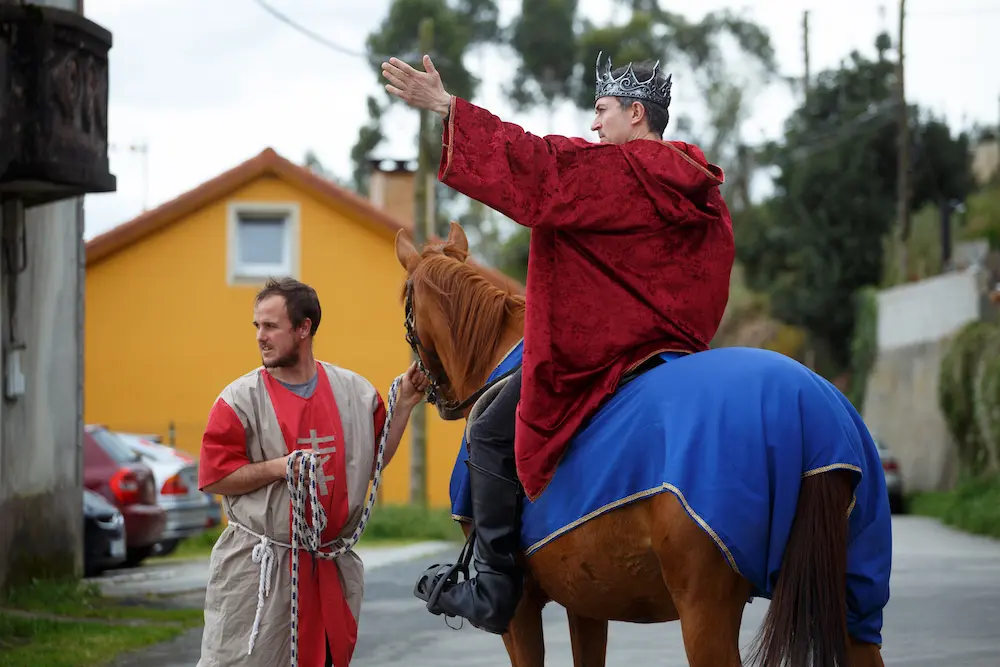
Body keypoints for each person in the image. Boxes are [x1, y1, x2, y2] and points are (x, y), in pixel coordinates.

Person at [381, 52, 735, 634]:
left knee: (489, 425)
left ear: (636, 114)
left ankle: (494, 584)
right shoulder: (701, 189)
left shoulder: (621, 170)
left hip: (607, 354)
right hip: (676, 350)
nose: (593, 125)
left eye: (602, 110)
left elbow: (539, 168)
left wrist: (447, 107)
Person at [196, 277, 428, 667]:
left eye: (271, 326)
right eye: (257, 326)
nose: (260, 336)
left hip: (327, 567)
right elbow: (214, 477)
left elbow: (369, 462)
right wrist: (279, 468)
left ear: (304, 328)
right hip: (260, 569)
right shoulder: (238, 400)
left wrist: (403, 404)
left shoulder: (354, 392)